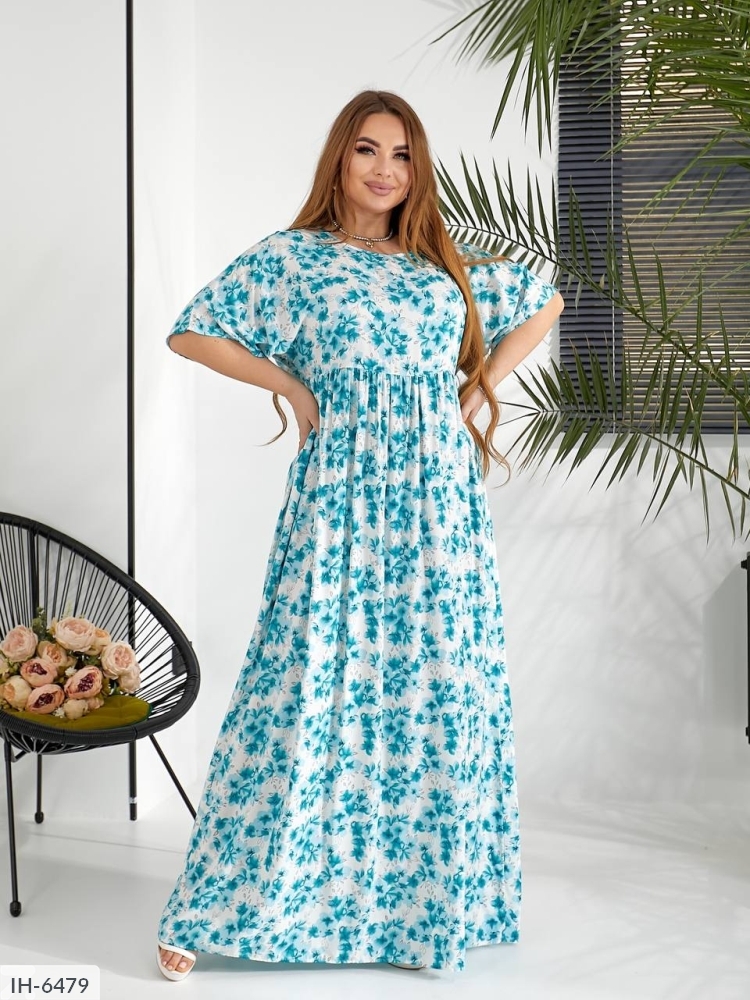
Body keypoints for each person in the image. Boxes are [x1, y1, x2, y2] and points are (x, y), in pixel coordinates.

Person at [156, 89, 563, 980]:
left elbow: (544, 300)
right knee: (302, 684)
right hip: (340, 499)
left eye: (404, 154)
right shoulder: (293, 259)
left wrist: (476, 387)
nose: (386, 169)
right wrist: (293, 388)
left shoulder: (439, 265)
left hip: (439, 508)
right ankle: (215, 903)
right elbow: (193, 332)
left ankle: (416, 915)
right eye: (369, 149)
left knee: (433, 690)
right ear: (340, 158)